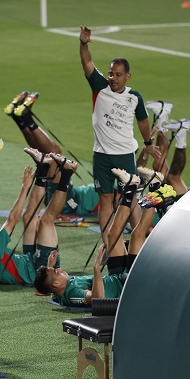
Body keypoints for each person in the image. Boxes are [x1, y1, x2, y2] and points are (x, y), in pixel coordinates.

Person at [35, 169, 176, 307]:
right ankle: (154, 186)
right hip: (127, 285)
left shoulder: (58, 290)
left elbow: (49, 287)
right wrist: (96, 268)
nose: (59, 269)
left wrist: (50, 267)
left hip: (116, 277)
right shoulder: (72, 294)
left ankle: (130, 186)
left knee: (112, 235)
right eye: (56, 271)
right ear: (56, 284)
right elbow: (97, 298)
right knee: (137, 234)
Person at [79, 25, 157, 245]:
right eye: (111, 73)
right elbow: (87, 63)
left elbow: (143, 120)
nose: (113, 78)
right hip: (102, 155)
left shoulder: (135, 97)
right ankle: (107, 244)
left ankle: (139, 241)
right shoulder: (99, 87)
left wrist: (148, 143)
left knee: (129, 199)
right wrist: (83, 43)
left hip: (124, 154)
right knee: (105, 198)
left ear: (127, 77)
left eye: (118, 75)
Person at [0, 149, 77, 286]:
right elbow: (12, 219)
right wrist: (24, 187)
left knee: (29, 217)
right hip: (40, 271)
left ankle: (43, 167)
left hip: (27, 261)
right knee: (46, 220)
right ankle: (66, 173)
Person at [5, 92, 99, 217]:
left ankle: (26, 117)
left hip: (68, 201)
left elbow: (110, 209)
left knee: (55, 153)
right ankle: (18, 117)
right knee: (45, 153)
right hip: (69, 195)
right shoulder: (113, 188)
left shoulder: (115, 196)